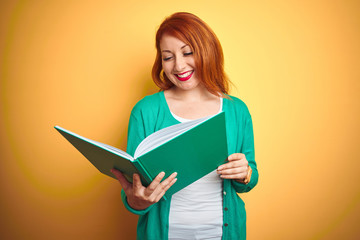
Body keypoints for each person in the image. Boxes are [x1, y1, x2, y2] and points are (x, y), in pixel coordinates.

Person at [111, 12, 258, 240]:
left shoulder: (237, 110)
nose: (178, 66)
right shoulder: (145, 111)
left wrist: (245, 174)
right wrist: (136, 199)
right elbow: (134, 191)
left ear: (207, 51)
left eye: (188, 53)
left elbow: (250, 177)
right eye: (167, 57)